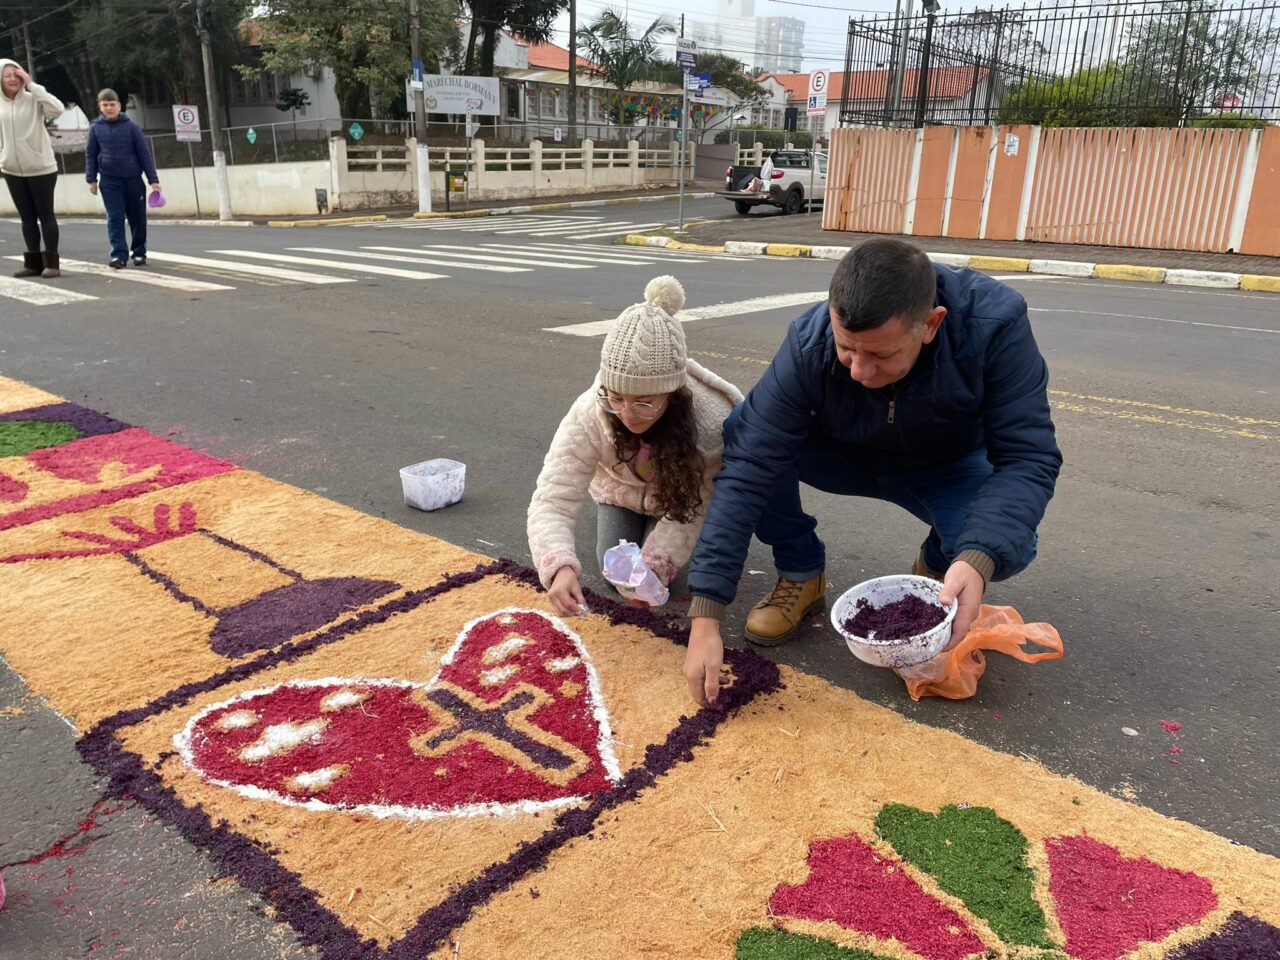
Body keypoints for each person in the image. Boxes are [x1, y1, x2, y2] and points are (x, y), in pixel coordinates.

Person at [683, 238, 1063, 707]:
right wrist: (707, 616)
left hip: (944, 465)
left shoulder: (994, 325)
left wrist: (977, 557)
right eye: (847, 348)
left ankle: (942, 567)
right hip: (839, 455)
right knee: (745, 430)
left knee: (1005, 544)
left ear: (930, 324)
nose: (860, 370)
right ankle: (801, 573)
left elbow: (1028, 456)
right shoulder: (810, 339)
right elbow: (749, 466)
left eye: (880, 355)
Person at [528, 276, 743, 618]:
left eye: (644, 403)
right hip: (620, 494)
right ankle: (640, 533)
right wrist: (557, 565)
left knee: (657, 576)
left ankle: (654, 543)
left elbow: (697, 505)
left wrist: (658, 562)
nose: (627, 414)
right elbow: (554, 494)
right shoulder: (589, 411)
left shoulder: (709, 425)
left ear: (671, 394)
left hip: (678, 499)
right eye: (616, 398)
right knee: (616, 573)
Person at [0, 59, 65, 278]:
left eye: (15, 74)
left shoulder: (32, 98)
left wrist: (32, 85)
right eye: (7, 75)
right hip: (11, 169)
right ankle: (33, 263)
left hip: (41, 167)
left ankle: (52, 264)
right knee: (26, 218)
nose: (12, 79)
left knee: (45, 215)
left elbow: (57, 109)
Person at [85, 88, 160, 268]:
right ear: (100, 106)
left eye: (112, 104)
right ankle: (118, 255)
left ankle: (140, 252)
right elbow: (90, 154)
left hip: (133, 179)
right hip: (109, 181)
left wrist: (153, 180)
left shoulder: (132, 127)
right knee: (115, 218)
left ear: (119, 105)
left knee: (138, 218)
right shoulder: (95, 128)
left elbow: (144, 154)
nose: (109, 108)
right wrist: (91, 180)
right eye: (105, 105)